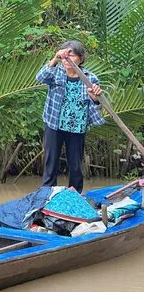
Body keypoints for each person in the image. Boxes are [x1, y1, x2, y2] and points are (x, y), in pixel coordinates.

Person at [36, 40, 105, 194]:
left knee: (75, 164)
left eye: (71, 55)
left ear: (81, 58)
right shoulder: (56, 72)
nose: (67, 59)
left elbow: (97, 104)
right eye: (64, 55)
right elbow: (40, 77)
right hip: (54, 124)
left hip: (77, 126)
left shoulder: (89, 78)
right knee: (50, 162)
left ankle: (75, 195)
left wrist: (95, 97)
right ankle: (47, 195)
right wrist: (55, 58)